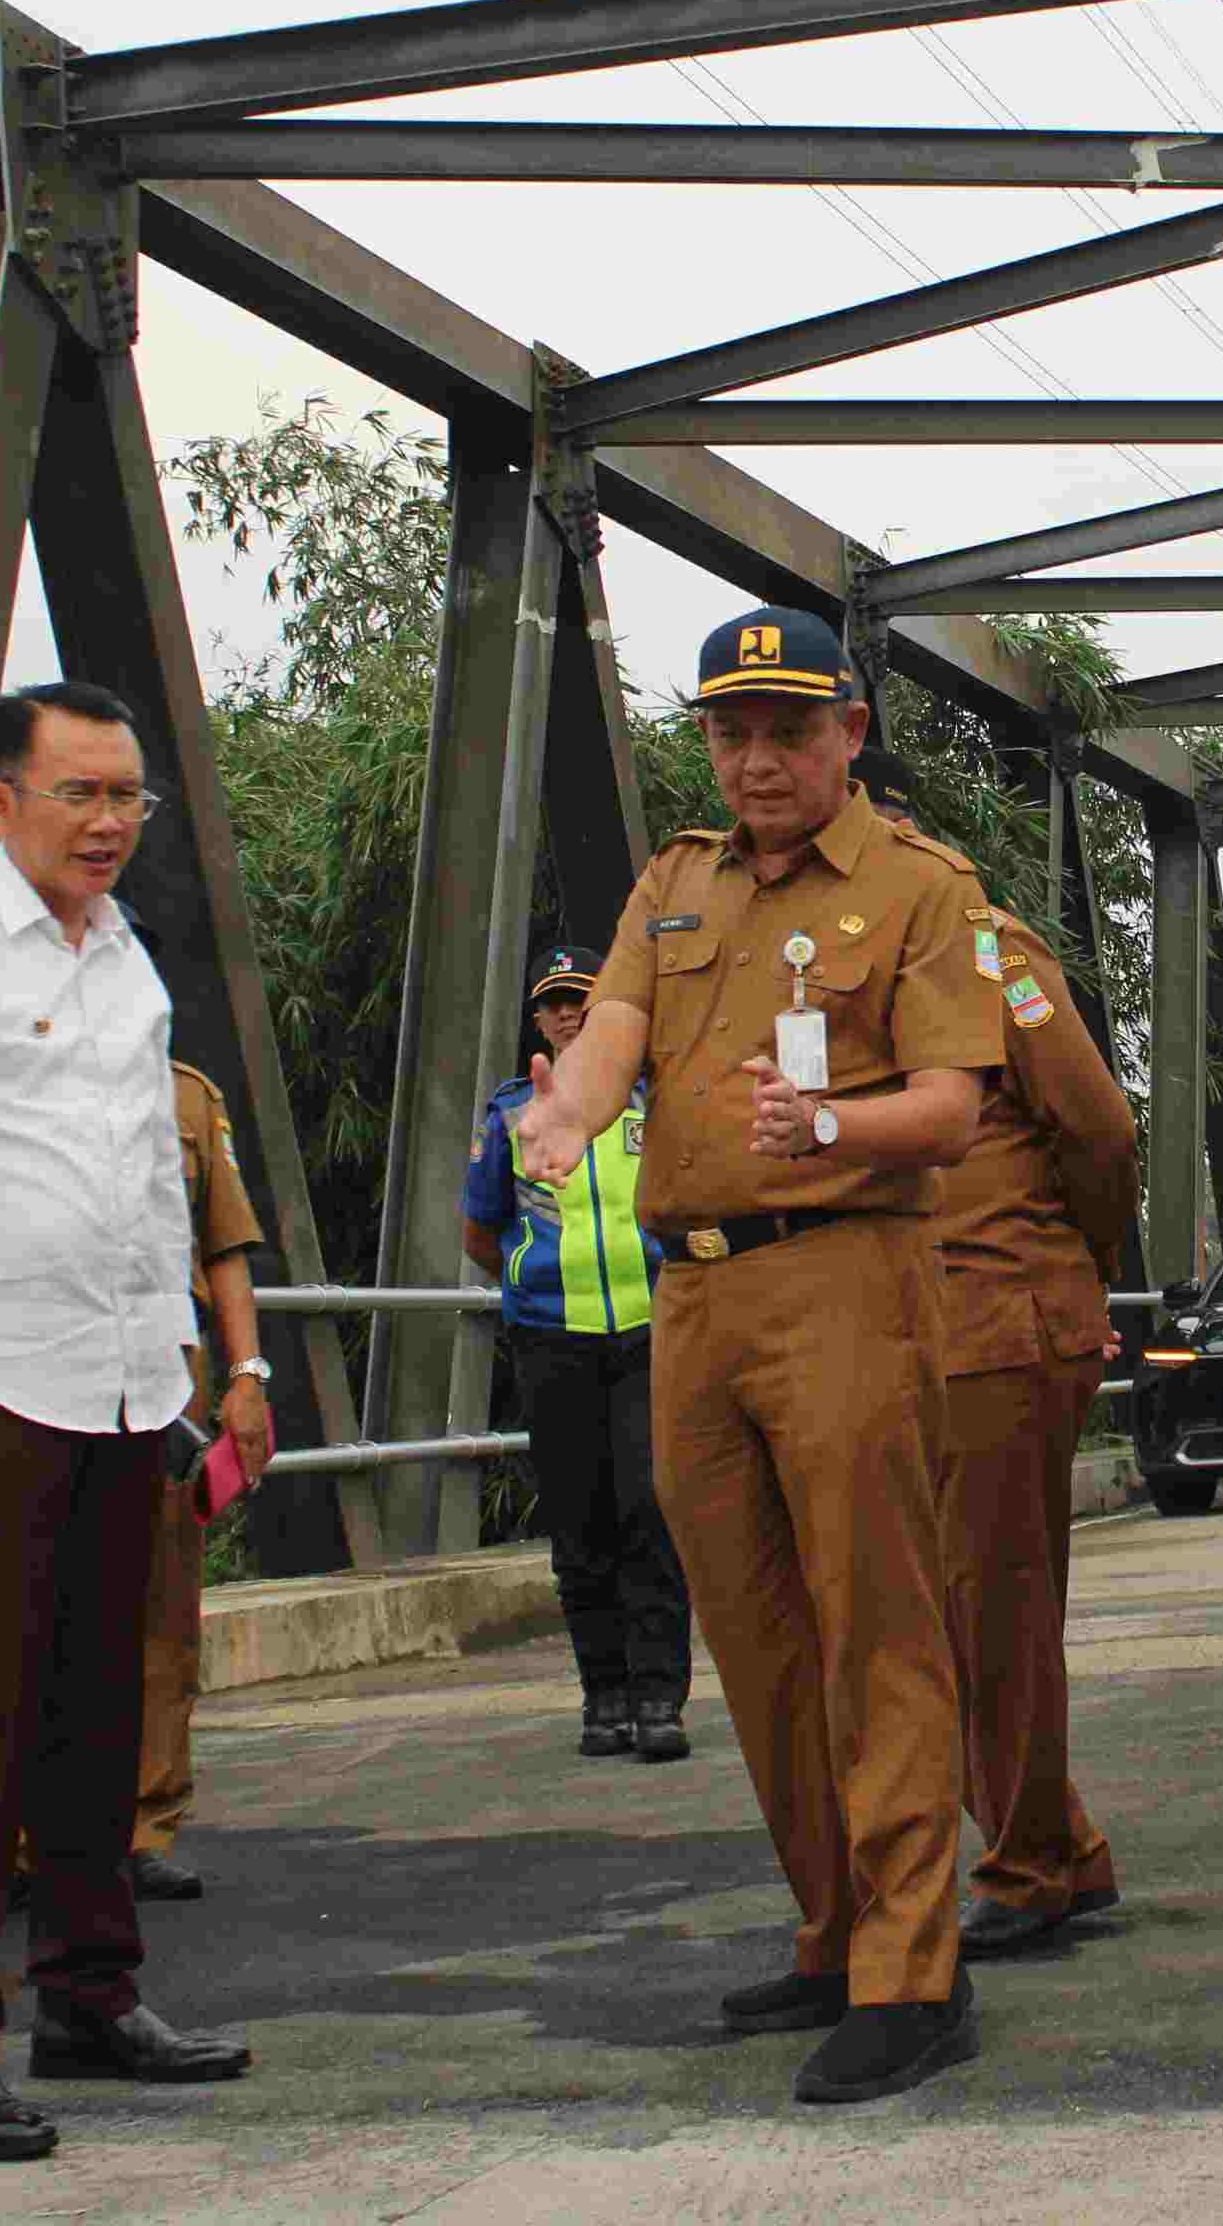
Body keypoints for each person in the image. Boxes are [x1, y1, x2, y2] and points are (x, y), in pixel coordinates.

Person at [508, 608, 1001, 2107]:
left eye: (790, 729)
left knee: (876, 1629)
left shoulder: (920, 887)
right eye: (732, 731)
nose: (760, 758)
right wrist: (566, 1114)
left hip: (845, 1278)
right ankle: (835, 1927)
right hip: (697, 1302)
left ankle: (916, 1969)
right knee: (759, 1640)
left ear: (849, 732)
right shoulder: (678, 879)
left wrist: (834, 1125)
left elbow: (957, 1105)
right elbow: (613, 1033)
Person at [0, 681, 257, 2165]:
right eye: (80, 794)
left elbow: (155, 1172)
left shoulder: (127, 960)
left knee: (100, 1707)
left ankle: (92, 1996)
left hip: (123, 1380)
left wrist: (186, 1352)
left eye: (129, 796)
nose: (110, 823)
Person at [849, 750, 1144, 1957]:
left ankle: (1029, 1866)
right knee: (963, 1607)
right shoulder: (865, 965)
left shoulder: (988, 953)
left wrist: (1064, 1261)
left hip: (999, 1318)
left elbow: (1100, 1129)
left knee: (993, 1610)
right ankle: (1059, 1846)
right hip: (924, 1321)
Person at [18, 1058, 279, 1908]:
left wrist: (246, 1375)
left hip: (163, 1372)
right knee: (37, 1603)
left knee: (161, 1609)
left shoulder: (189, 1098)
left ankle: (144, 1826)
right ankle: (30, 1836)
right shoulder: (3, 1065)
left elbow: (226, 1247)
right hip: (36, 1363)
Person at [464, 946, 688, 1764]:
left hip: (645, 1333)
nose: (568, 1014)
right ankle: (606, 1697)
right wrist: (535, 1284)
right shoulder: (512, 1113)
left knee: (647, 1511)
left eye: (582, 1000)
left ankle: (661, 1695)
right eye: (554, 1004)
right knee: (579, 1525)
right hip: (552, 1339)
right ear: (538, 1020)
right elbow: (481, 1233)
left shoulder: (648, 1105)